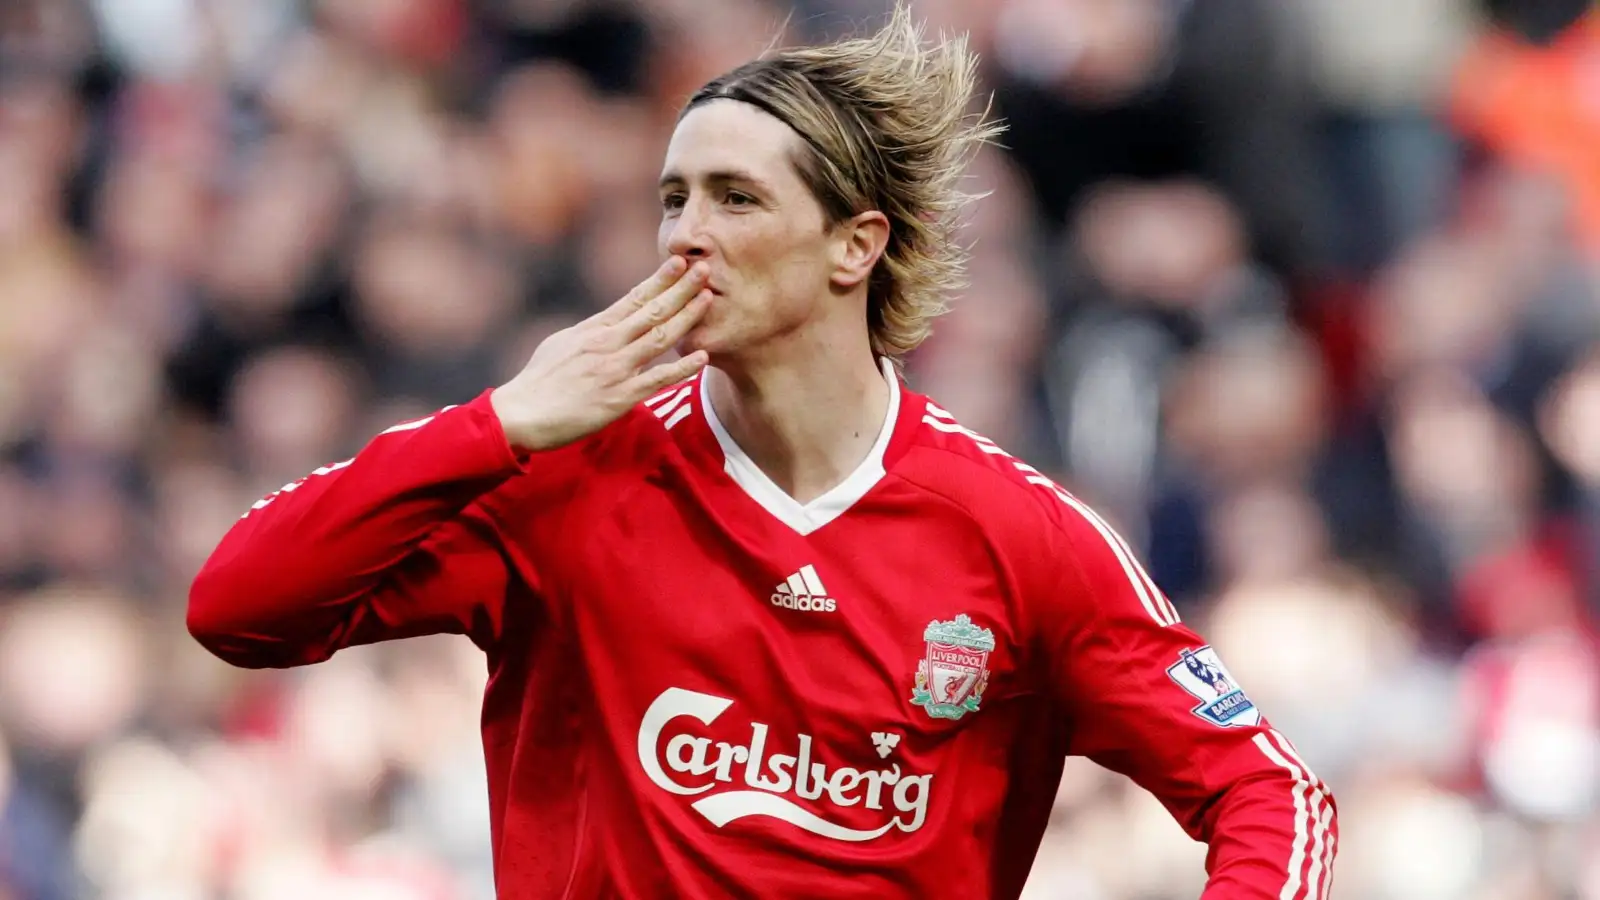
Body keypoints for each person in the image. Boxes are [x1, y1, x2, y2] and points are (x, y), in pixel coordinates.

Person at [187, 5, 1337, 897]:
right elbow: (240, 606)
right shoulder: (558, 480)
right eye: (672, 197)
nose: (686, 234)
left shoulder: (1017, 533)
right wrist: (496, 424)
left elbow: (1271, 796)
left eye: (735, 198)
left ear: (854, 245)